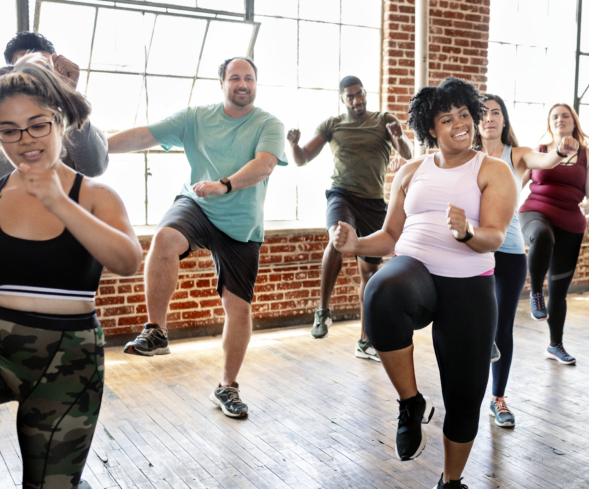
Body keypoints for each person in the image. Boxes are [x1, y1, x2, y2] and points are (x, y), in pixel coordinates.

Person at [331, 76, 518, 489]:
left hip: (468, 283)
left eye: (464, 115)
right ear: (430, 128)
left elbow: (495, 235)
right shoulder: (412, 170)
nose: (459, 124)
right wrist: (355, 243)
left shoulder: (494, 170)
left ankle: (451, 481)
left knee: (465, 397)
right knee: (380, 290)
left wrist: (467, 232)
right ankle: (411, 404)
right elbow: (389, 235)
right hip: (414, 269)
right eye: (447, 118)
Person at [107, 57, 287, 419]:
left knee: (238, 308)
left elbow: (265, 164)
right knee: (165, 239)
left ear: (256, 83)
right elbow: (145, 134)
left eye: (249, 78)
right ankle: (156, 330)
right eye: (235, 77)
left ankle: (227, 386)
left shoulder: (269, 123)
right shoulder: (196, 118)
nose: (242, 83)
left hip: (241, 224)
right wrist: (95, 150)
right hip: (199, 204)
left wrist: (225, 185)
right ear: (221, 82)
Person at [0, 56, 142, 489]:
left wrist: (59, 201)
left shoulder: (96, 195)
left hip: (68, 358)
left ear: (60, 122)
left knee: (52, 485)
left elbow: (127, 262)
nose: (24, 139)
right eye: (8, 130)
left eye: (37, 124)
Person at [287, 76, 412, 359]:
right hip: (341, 194)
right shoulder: (332, 124)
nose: (357, 100)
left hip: (373, 204)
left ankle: (366, 341)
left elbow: (405, 153)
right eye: (350, 97)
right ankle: (323, 310)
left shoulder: (383, 120)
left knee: (369, 273)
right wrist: (293, 144)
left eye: (360, 94)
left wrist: (398, 135)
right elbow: (302, 158)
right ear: (343, 99)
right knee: (338, 237)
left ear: (365, 93)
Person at [475, 94, 578, 427]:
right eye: (483, 113)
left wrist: (560, 153)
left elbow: (543, 161)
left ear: (505, 121)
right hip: (472, 251)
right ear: (476, 122)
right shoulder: (466, 156)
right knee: (475, 324)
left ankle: (498, 399)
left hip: (508, 253)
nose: (489, 118)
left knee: (502, 329)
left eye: (496, 113)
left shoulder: (515, 155)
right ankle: (467, 394)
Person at [518, 103, 589, 365]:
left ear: (574, 122)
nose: (560, 119)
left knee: (560, 290)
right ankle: (535, 292)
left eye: (565, 115)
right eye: (555, 116)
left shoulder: (588, 156)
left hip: (571, 223)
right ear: (549, 123)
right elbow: (517, 182)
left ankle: (555, 345)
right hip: (535, 212)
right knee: (543, 236)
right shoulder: (538, 152)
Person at [0, 32, 108, 179]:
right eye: (26, 70)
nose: (37, 78)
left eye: (44, 71)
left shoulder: (73, 122)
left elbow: (95, 167)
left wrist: (68, 97)